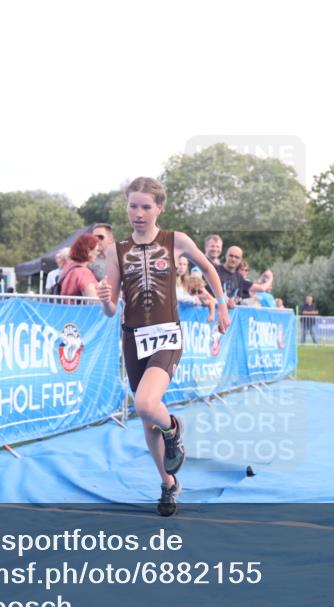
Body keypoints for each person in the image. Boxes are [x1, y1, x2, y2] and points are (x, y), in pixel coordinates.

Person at [98, 177, 230, 517]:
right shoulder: (116, 250)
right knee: (145, 420)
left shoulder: (177, 241)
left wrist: (223, 304)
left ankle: (174, 427)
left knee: (145, 403)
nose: (138, 213)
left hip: (167, 335)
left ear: (159, 208)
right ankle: (169, 484)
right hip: (133, 337)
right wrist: (104, 301)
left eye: (145, 206)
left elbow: (208, 268)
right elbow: (112, 307)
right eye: (132, 206)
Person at [60, 233, 101, 299]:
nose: (98, 253)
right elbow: (93, 301)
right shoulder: (83, 272)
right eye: (97, 250)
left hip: (66, 308)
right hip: (80, 309)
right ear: (88, 251)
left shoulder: (68, 267)